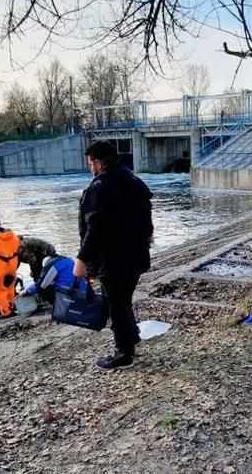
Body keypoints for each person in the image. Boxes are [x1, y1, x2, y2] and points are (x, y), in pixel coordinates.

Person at [77, 141, 153, 370]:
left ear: (99, 162)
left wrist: (82, 259)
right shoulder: (132, 179)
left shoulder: (101, 186)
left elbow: (95, 227)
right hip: (137, 254)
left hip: (113, 258)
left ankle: (124, 353)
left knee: (115, 304)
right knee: (123, 299)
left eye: (91, 163)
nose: (90, 167)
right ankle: (131, 337)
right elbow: (147, 215)